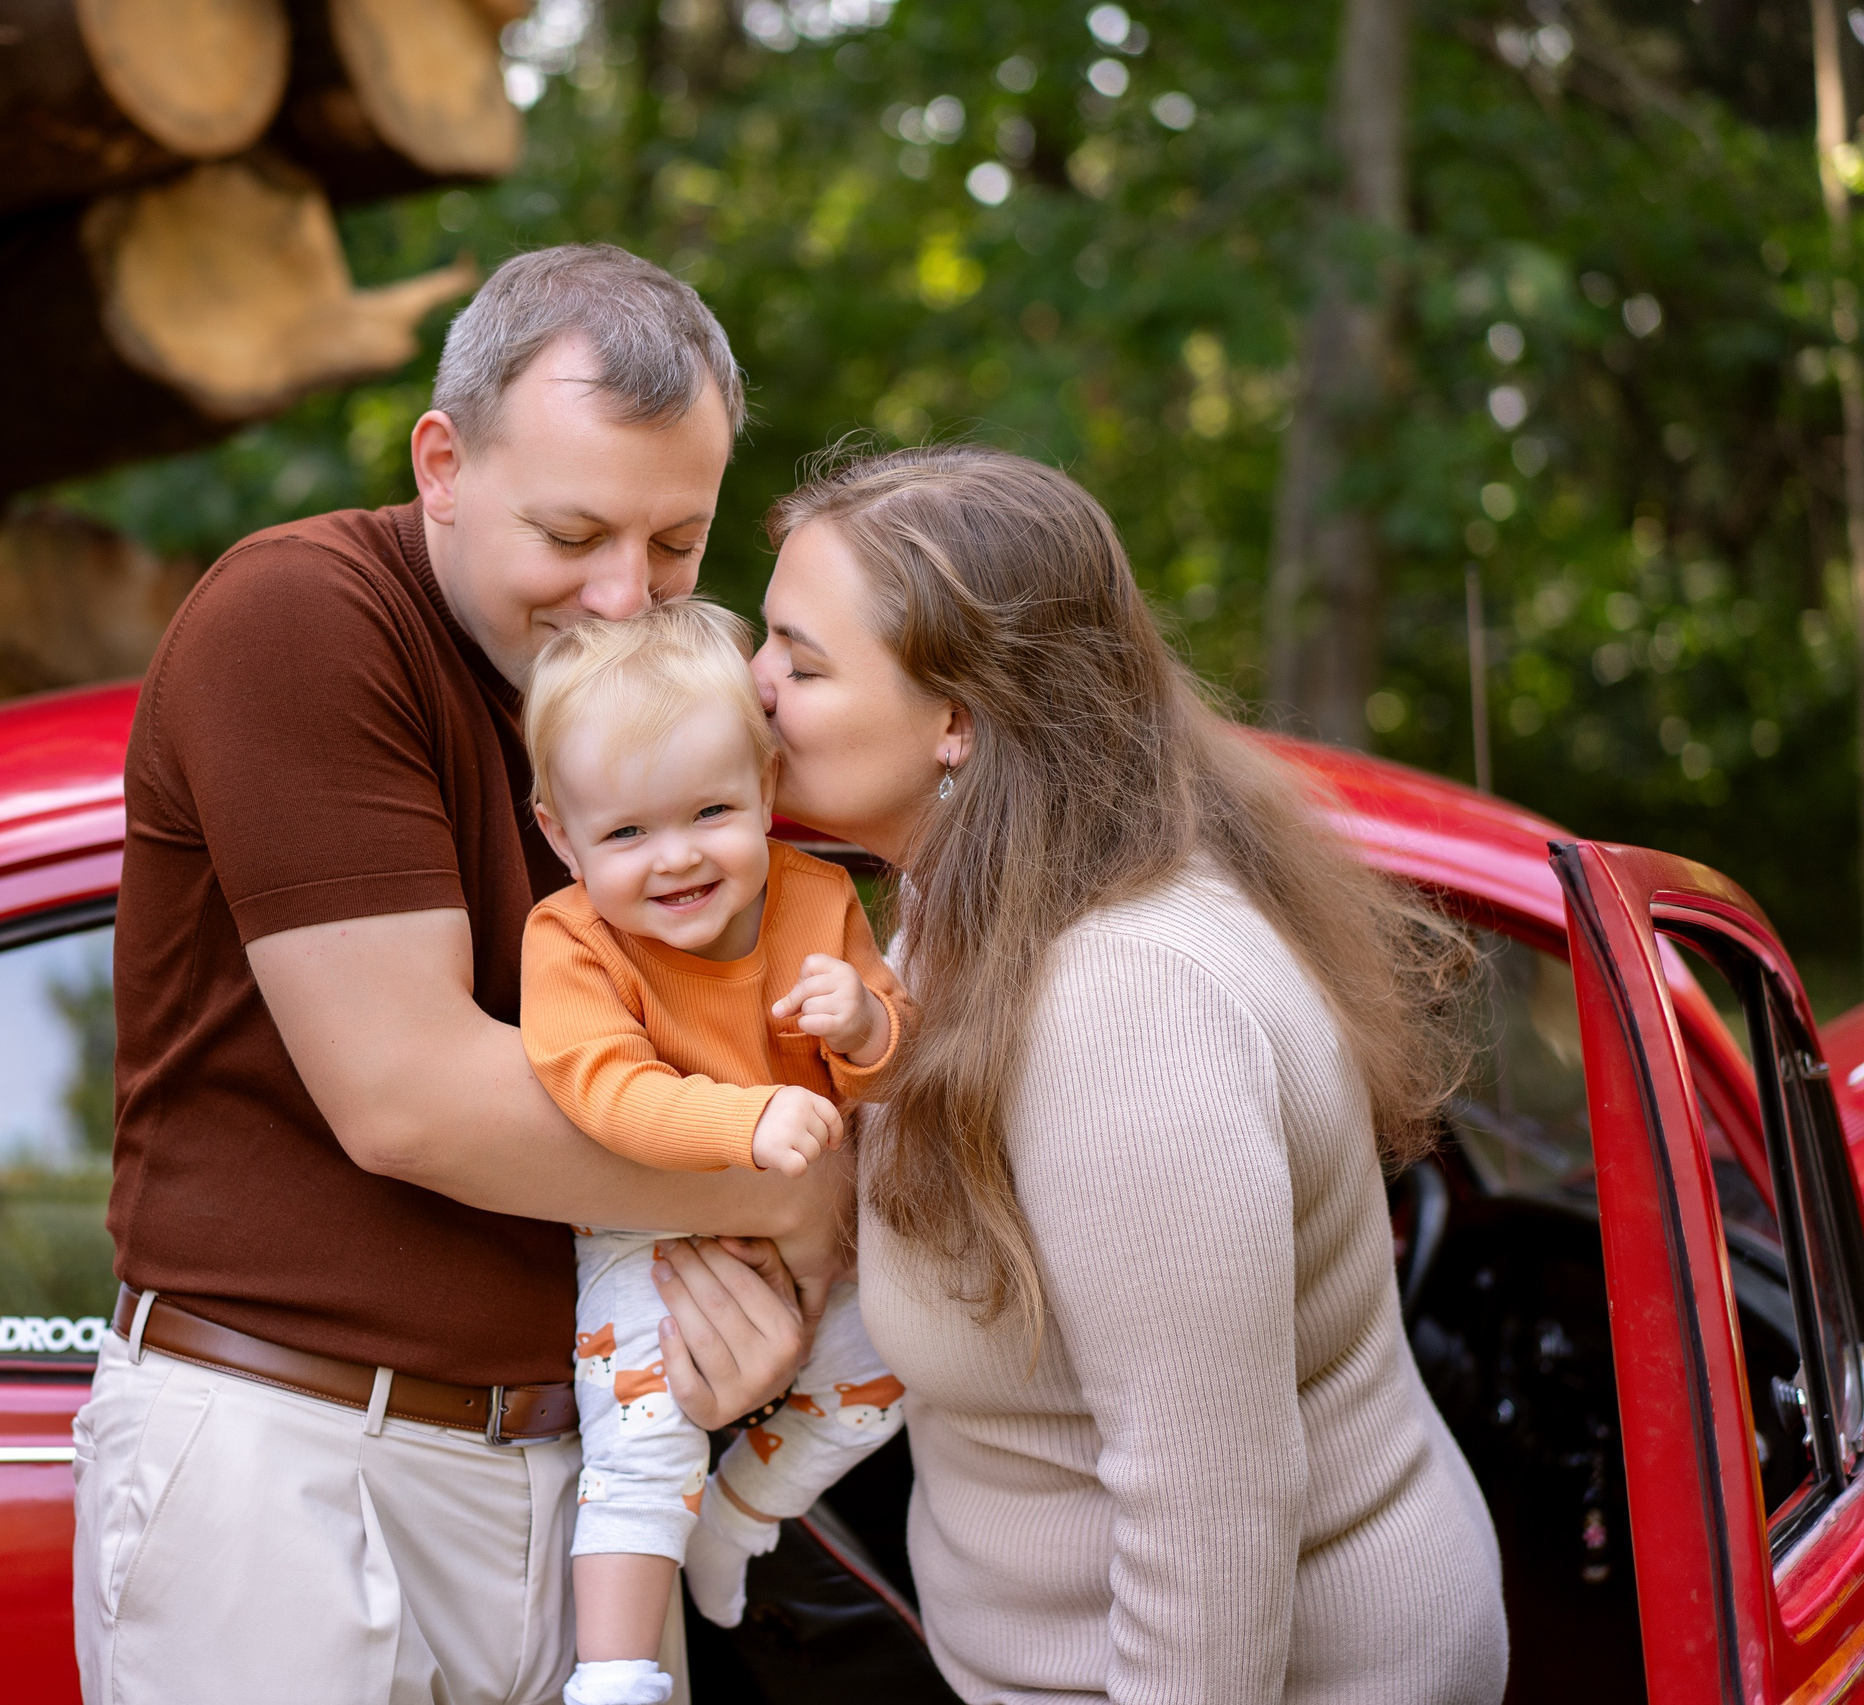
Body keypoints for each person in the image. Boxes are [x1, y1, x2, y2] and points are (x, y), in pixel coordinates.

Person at [73, 244, 839, 1705]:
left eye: (677, 543)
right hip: (292, 1458)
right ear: (442, 460)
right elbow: (411, 1094)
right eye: (573, 532)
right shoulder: (298, 617)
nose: (626, 597)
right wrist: (800, 1188)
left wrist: (759, 1307)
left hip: (590, 1469)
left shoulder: (647, 725)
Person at [749, 444, 1511, 1704]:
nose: (753, 685)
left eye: (804, 663)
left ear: (959, 723)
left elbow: (1206, 1513)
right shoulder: (962, 911)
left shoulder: (1124, 1006)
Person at [516, 601, 910, 1705]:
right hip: (653, 1228)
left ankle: (742, 1517)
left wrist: (866, 1029)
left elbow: (889, 1072)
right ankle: (615, 1672)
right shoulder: (569, 940)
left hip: (811, 1225)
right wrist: (739, 1129)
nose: (678, 857)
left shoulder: (820, 896)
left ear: (768, 792)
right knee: (638, 1434)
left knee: (899, 1363)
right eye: (627, 834)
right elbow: (600, 1087)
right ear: (561, 836)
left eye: (710, 811)